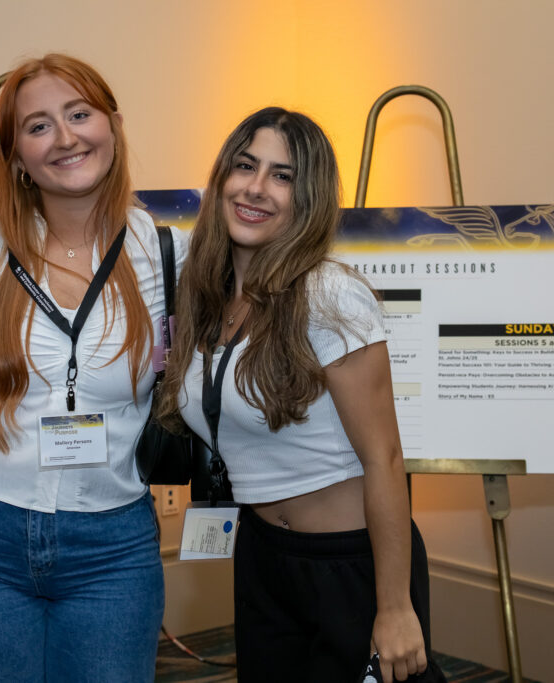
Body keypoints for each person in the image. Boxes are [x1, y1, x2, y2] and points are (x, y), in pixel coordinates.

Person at [157, 107, 446, 683]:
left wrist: (393, 607)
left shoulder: (328, 294)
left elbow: (384, 458)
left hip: (350, 563)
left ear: (307, 197)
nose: (256, 188)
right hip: (262, 557)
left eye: (282, 175)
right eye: (245, 165)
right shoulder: (206, 298)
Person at [0, 54, 183, 682]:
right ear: (16, 154)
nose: (66, 138)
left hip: (112, 543)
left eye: (79, 114)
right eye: (39, 126)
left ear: (113, 126)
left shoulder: (164, 249)